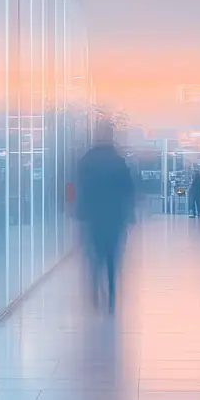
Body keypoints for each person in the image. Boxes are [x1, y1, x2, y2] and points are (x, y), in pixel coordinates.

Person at [76, 121, 135, 313]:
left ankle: (94, 290)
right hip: (114, 216)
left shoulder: (87, 160)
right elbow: (128, 189)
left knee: (95, 255)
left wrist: (81, 211)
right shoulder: (117, 161)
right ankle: (111, 294)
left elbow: (80, 188)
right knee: (112, 255)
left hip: (93, 215)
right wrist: (129, 213)